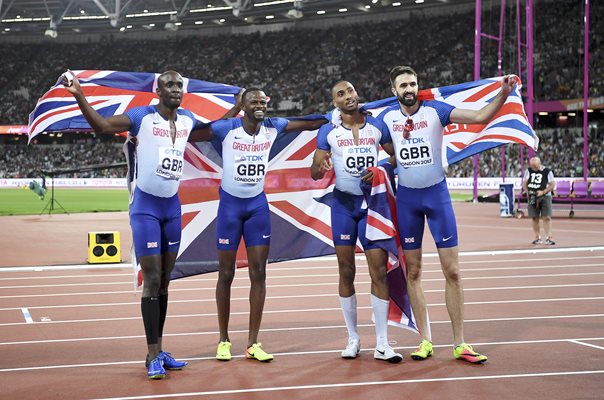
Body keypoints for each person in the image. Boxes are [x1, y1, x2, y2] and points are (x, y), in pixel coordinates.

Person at [63, 70, 240, 379]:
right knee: (153, 278)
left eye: (179, 86)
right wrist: (79, 94)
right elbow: (102, 126)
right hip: (145, 207)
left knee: (166, 280)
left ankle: (157, 351)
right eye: (169, 85)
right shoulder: (141, 117)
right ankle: (153, 354)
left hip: (172, 208)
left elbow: (213, 130)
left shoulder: (186, 120)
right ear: (158, 90)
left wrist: (238, 107)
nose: (175, 89)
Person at [378, 65, 516, 364]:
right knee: (413, 272)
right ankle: (425, 340)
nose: (409, 89)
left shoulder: (435, 111)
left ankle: (460, 343)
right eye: (403, 85)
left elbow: (479, 117)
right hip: (408, 200)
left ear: (418, 85)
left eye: (412, 83)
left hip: (437, 196)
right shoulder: (386, 118)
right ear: (394, 90)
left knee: (452, 271)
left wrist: (503, 93)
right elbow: (366, 136)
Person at [193, 88, 327, 362]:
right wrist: (233, 110)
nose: (259, 105)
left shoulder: (273, 126)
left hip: (257, 208)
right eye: (253, 101)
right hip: (230, 208)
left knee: (259, 274)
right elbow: (193, 134)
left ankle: (253, 343)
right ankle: (224, 340)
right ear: (243, 105)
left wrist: (339, 116)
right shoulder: (227, 128)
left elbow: (311, 122)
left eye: (262, 101)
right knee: (226, 274)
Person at [310, 81, 402, 363]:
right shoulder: (328, 131)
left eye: (350, 91)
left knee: (378, 270)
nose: (348, 96)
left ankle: (383, 344)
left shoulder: (377, 126)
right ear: (334, 103)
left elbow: (396, 157)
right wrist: (321, 165)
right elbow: (314, 173)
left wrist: (380, 168)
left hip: (372, 206)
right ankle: (353, 339)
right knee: (346, 270)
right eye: (341, 94)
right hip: (344, 206)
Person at [523, 156, 556, 245]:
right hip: (532, 196)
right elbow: (525, 183)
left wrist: (543, 192)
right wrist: (527, 192)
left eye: (535, 167)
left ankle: (549, 237)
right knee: (534, 217)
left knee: (546, 217)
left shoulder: (547, 171)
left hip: (545, 196)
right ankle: (537, 237)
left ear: (539, 164)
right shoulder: (528, 171)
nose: (534, 168)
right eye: (532, 167)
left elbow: (552, 184)